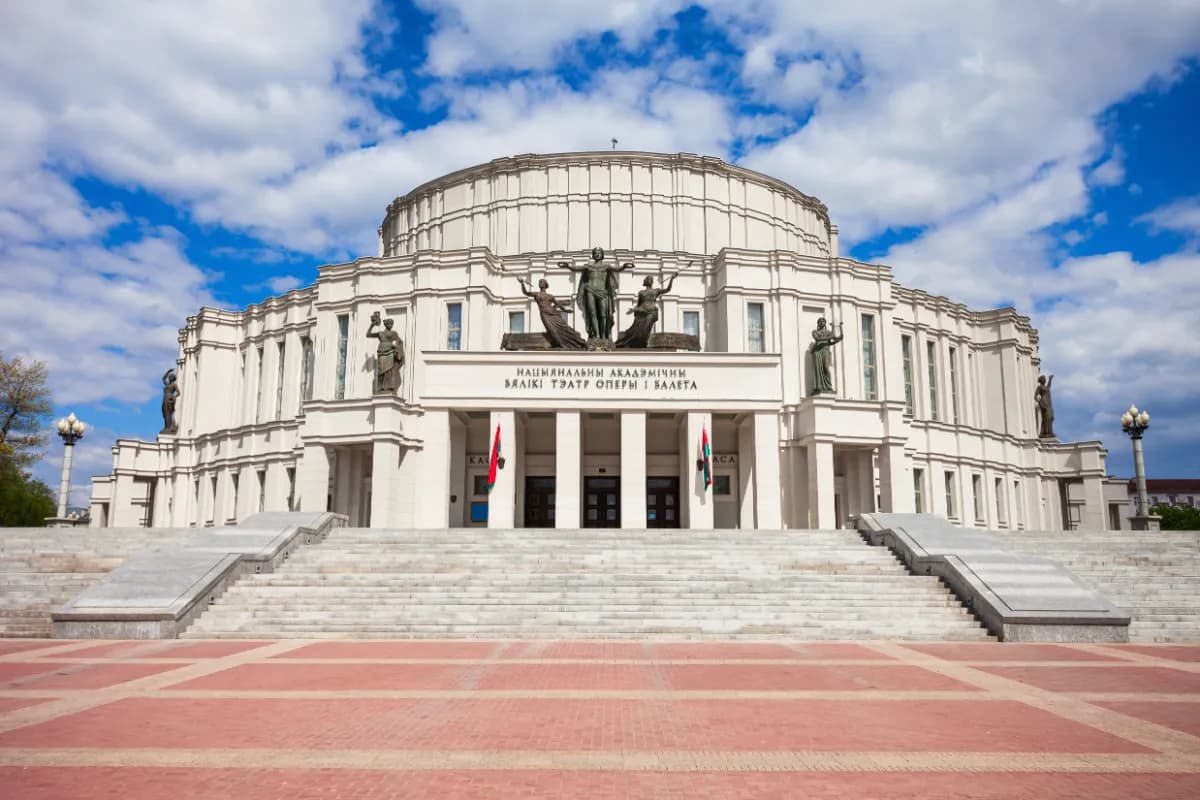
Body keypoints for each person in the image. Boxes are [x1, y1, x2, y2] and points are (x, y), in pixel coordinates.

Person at [557, 246, 634, 340]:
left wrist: (624, 267)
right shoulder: (588, 266)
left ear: (602, 255)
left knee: (603, 314)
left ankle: (603, 336)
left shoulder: (606, 266)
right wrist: (568, 266)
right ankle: (596, 335)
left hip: (602, 292)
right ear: (593, 255)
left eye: (599, 252)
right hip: (590, 290)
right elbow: (576, 269)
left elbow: (617, 269)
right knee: (592, 313)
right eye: (595, 253)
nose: (597, 254)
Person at [517, 277, 587, 350]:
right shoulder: (536, 294)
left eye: (542, 282)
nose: (540, 283)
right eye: (540, 282)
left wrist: (565, 310)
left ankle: (581, 342)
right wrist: (522, 284)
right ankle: (563, 345)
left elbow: (558, 304)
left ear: (545, 285)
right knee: (552, 330)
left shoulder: (550, 296)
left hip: (553, 314)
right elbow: (526, 293)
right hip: (545, 314)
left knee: (566, 328)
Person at [615, 273, 677, 348]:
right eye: (648, 279)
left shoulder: (656, 291)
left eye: (651, 279)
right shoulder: (641, 293)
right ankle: (633, 342)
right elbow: (639, 304)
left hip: (651, 313)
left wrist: (671, 279)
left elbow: (667, 289)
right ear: (645, 282)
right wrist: (634, 310)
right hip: (642, 312)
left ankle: (642, 342)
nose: (650, 280)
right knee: (636, 330)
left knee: (645, 330)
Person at [366, 312, 404, 393]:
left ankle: (389, 388)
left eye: (392, 324)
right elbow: (368, 334)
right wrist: (372, 324)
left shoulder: (394, 333)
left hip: (390, 352)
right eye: (390, 324)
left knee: (389, 370)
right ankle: (380, 388)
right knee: (381, 370)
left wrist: (396, 348)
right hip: (381, 353)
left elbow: (399, 342)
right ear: (386, 324)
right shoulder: (380, 333)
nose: (391, 325)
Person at [809, 317, 843, 394]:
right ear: (818, 323)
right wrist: (831, 336)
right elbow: (817, 339)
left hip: (826, 351)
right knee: (818, 370)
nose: (821, 322)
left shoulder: (828, 332)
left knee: (826, 368)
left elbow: (838, 339)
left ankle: (828, 387)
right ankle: (818, 387)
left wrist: (840, 328)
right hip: (817, 352)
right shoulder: (815, 331)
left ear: (825, 323)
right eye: (820, 321)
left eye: (823, 321)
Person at [160, 369, 180, 434]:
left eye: (170, 377)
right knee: (165, 412)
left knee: (168, 413)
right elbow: (163, 378)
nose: (169, 378)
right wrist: (168, 371)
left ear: (173, 378)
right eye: (169, 377)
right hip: (165, 398)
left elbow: (178, 393)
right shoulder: (167, 384)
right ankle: (166, 427)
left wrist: (174, 397)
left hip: (169, 399)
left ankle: (168, 427)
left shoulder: (174, 385)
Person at [1035, 374, 1055, 438]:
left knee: (1050, 416)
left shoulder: (1046, 387)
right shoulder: (1039, 387)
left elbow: (1049, 386)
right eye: (1044, 379)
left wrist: (1050, 379)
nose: (1045, 380)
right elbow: (1035, 395)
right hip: (1043, 402)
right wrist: (1039, 401)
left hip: (1048, 403)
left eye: (1045, 379)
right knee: (1046, 417)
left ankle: (1049, 431)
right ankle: (1045, 433)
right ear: (1041, 380)